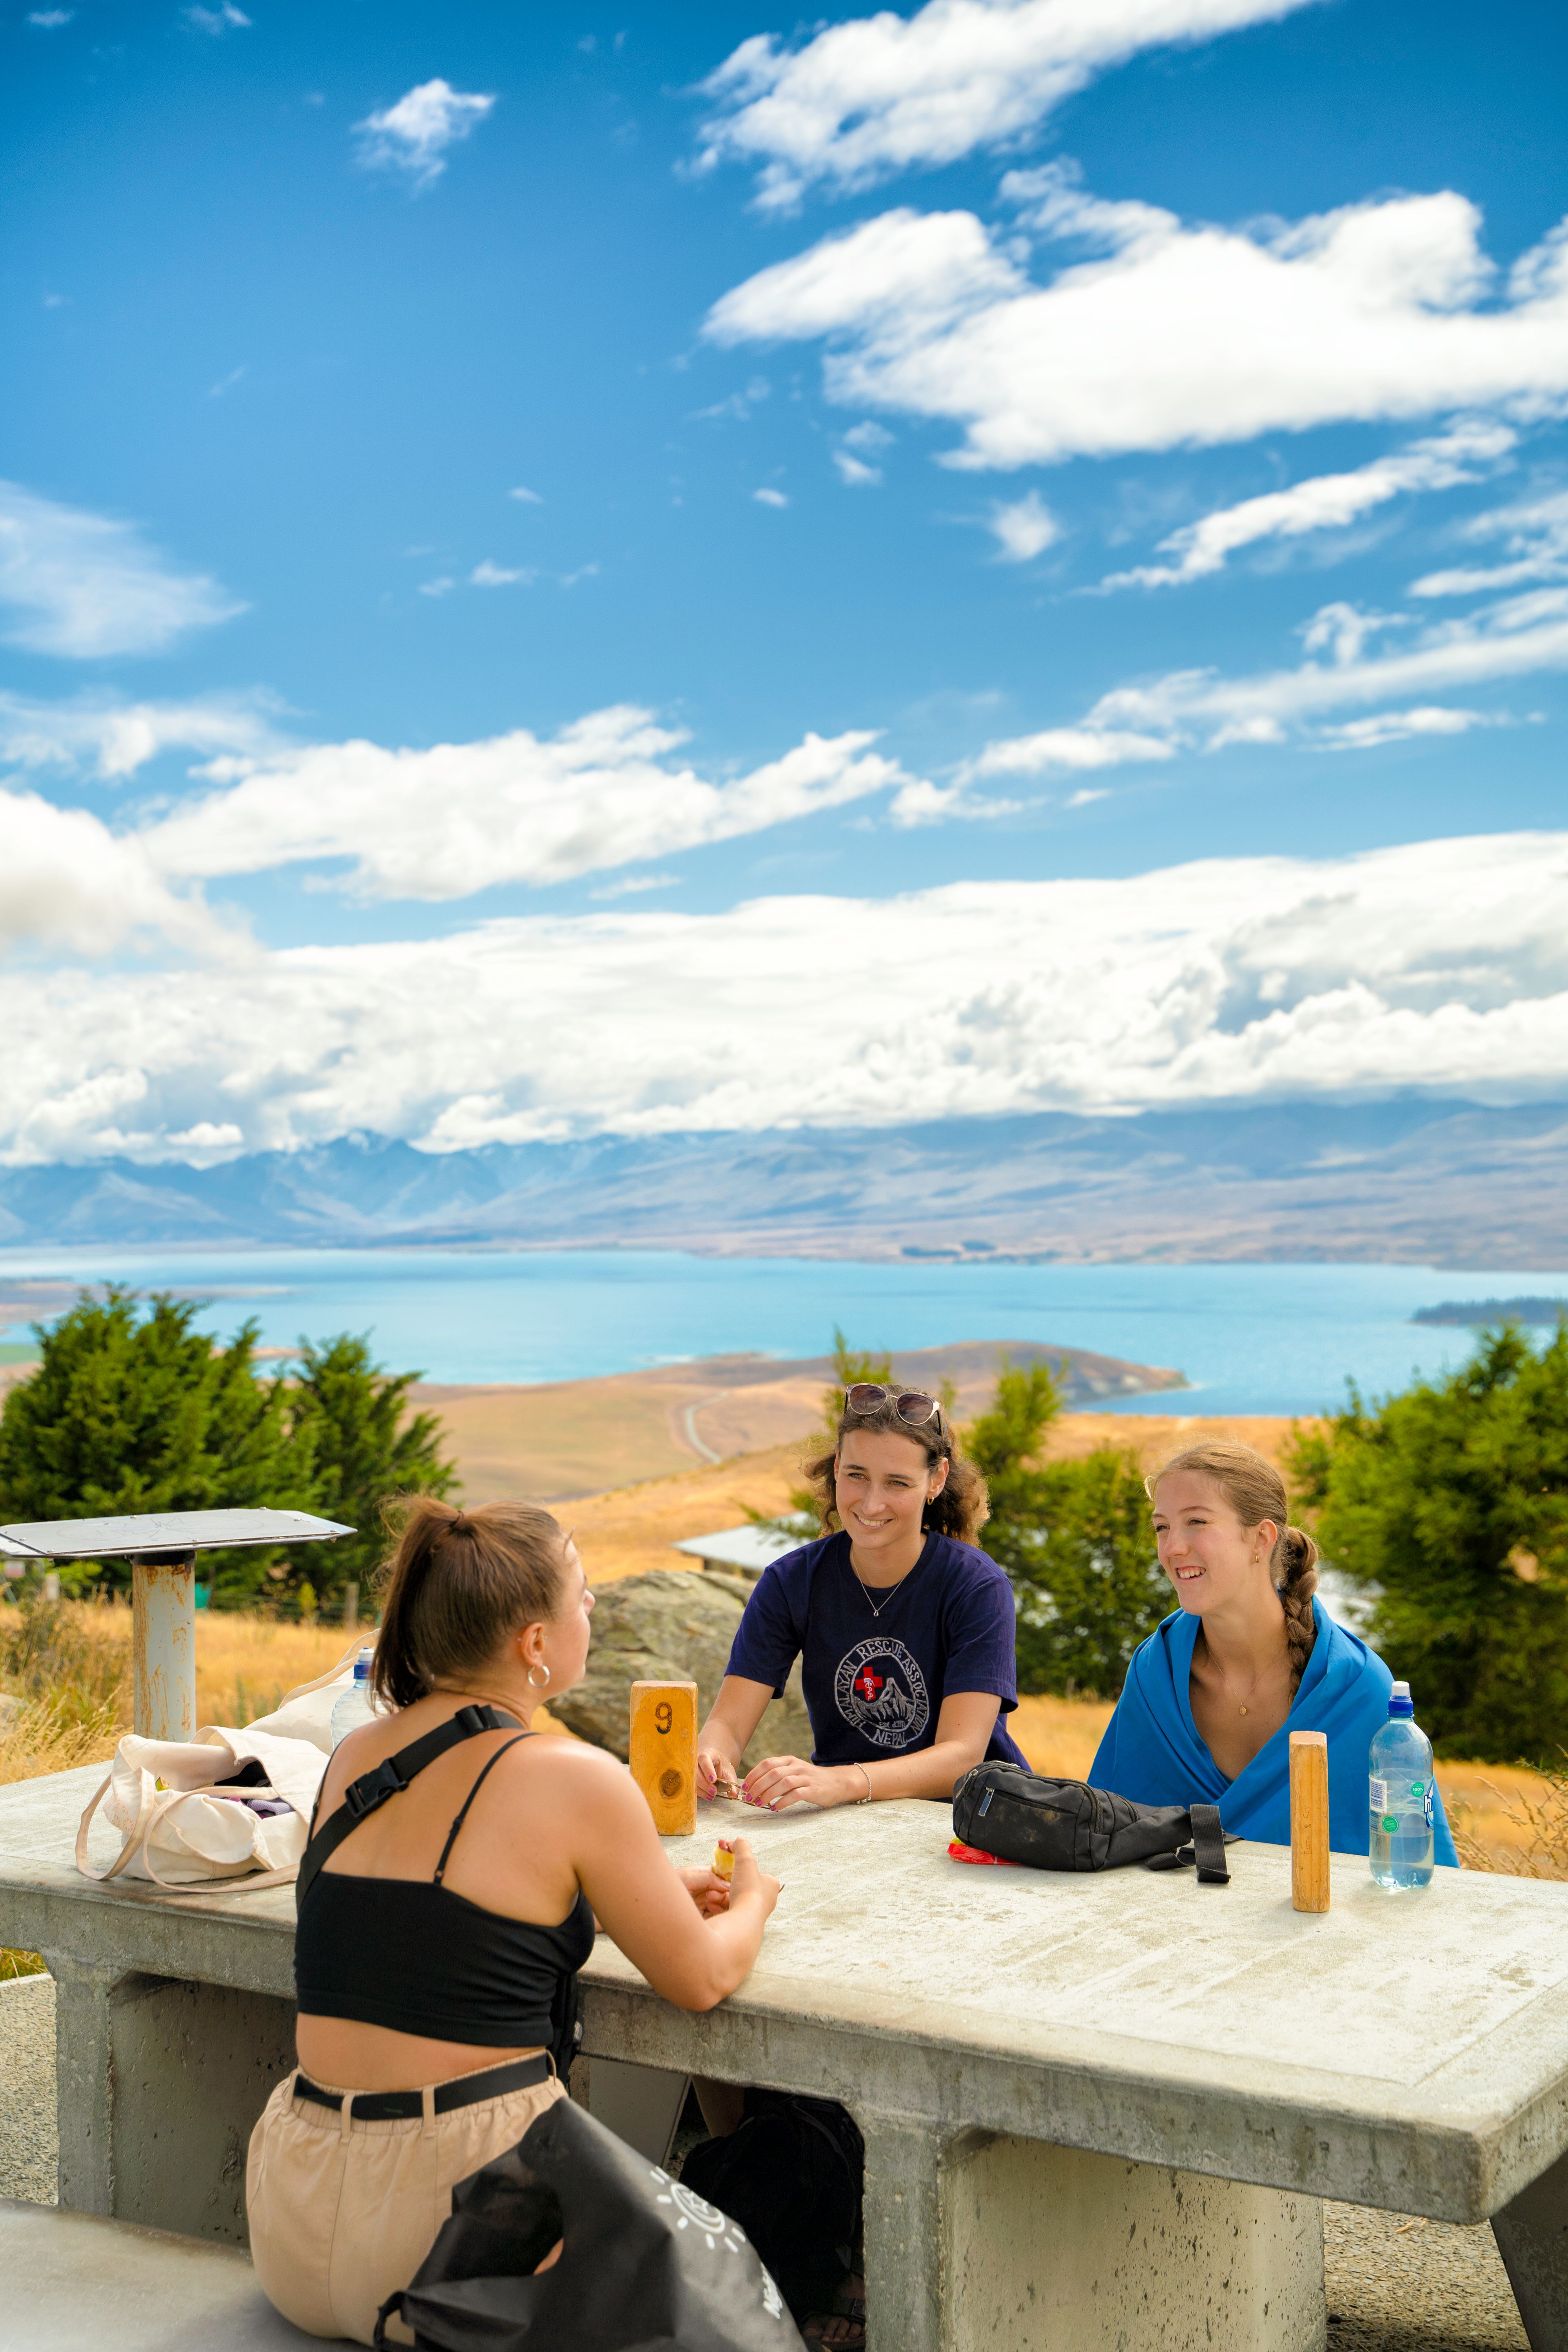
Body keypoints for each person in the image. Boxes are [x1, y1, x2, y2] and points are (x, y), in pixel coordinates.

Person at [247, 1498, 780, 2347]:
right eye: (581, 1592)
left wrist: (625, 1897)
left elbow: (425, 1932)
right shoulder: (576, 1777)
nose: (593, 1608)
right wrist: (753, 1901)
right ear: (534, 1644)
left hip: (295, 2210)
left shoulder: (356, 1754)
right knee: (731, 2292)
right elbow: (702, 1979)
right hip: (454, 2233)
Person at [690, 1382, 1025, 2348]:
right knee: (730, 1973)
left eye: (893, 1481)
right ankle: (763, 2195)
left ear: (936, 1482)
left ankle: (874, 2232)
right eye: (851, 1477)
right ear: (828, 1478)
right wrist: (715, 1753)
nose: (870, 1501)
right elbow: (730, 1714)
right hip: (843, 1832)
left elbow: (964, 1751)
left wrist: (838, 1784)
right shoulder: (794, 1578)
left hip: (963, 1837)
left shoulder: (972, 1585)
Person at [1089, 1440, 1457, 1864]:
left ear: (1261, 1540)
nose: (1171, 1547)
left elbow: (1420, 1869)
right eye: (1161, 1527)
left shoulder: (1356, 1688)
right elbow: (1106, 1834)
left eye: (1196, 1522)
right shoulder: (1155, 1672)